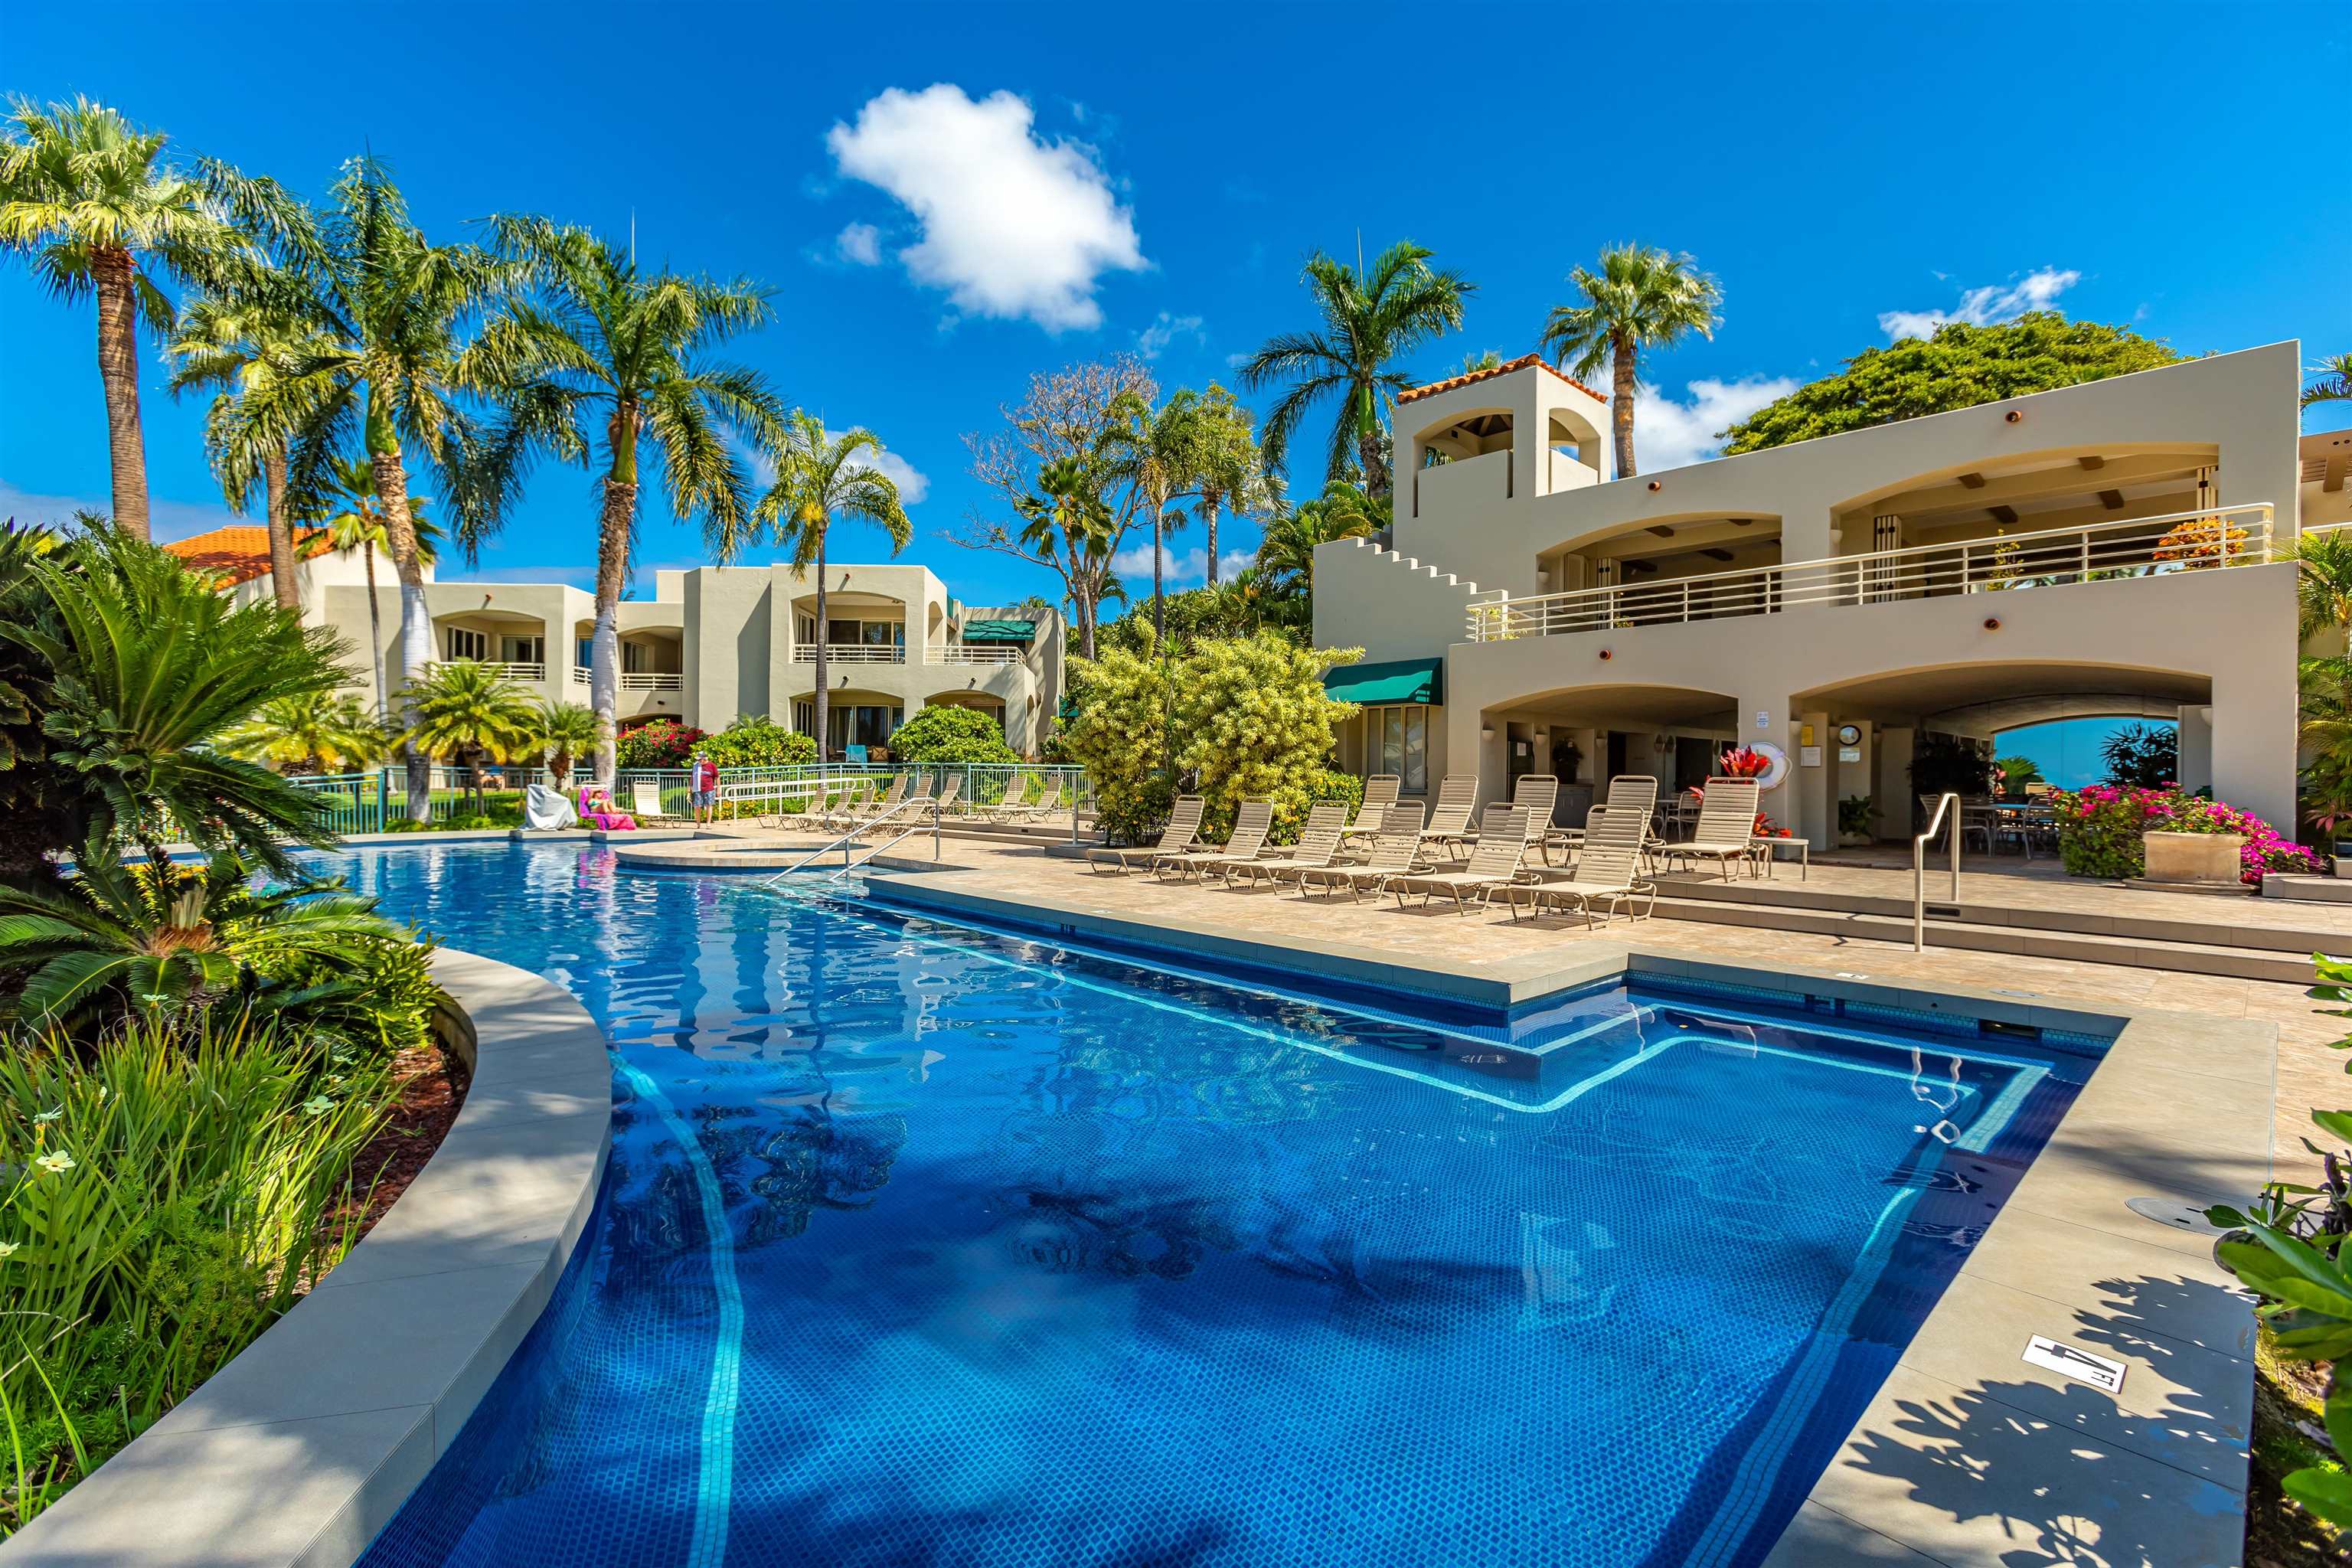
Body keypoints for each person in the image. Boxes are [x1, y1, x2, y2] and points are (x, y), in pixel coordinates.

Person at [690, 749, 720, 825]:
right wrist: (690, 788)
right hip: (697, 789)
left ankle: (708, 823)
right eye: (698, 759)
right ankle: (698, 822)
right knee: (697, 806)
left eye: (700, 759)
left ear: (705, 759)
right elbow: (692, 777)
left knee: (709, 805)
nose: (699, 761)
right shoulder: (696, 766)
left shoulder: (712, 765)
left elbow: (717, 777)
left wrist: (718, 789)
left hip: (709, 789)